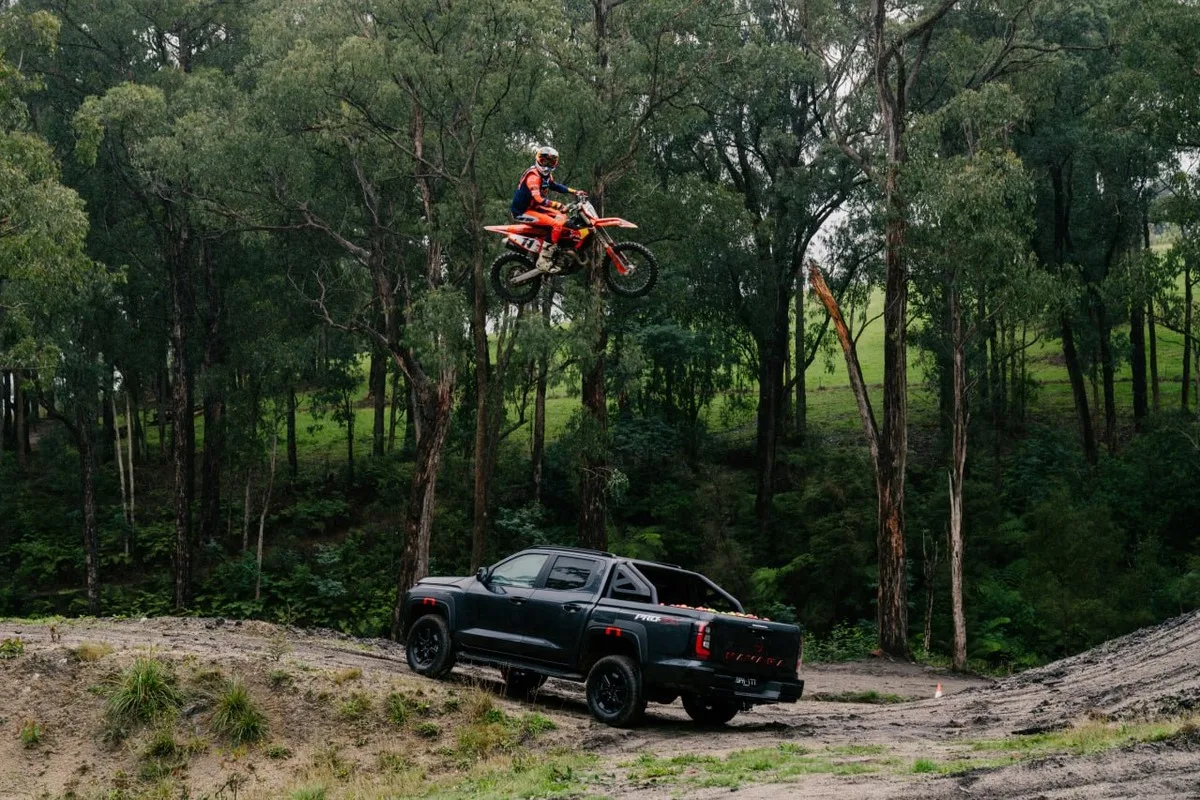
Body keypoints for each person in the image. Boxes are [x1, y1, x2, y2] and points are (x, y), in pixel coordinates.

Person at [511, 146, 587, 273]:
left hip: (534, 208)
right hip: (522, 211)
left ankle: (556, 250)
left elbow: (555, 186)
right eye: (545, 161)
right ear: (539, 159)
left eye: (551, 162)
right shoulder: (533, 176)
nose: (547, 164)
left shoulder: (546, 175)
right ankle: (544, 261)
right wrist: (557, 205)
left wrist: (575, 192)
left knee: (562, 217)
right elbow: (538, 199)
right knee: (556, 224)